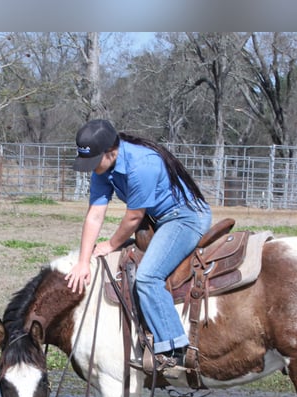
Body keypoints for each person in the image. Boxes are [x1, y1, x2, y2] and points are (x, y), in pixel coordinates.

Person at [64, 119, 212, 370]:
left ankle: (174, 348)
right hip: (157, 220)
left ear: (111, 152)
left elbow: (133, 216)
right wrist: (82, 261)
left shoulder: (142, 164)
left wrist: (111, 244)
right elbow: (95, 214)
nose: (91, 168)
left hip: (184, 218)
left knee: (148, 277)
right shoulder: (104, 169)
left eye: (93, 162)